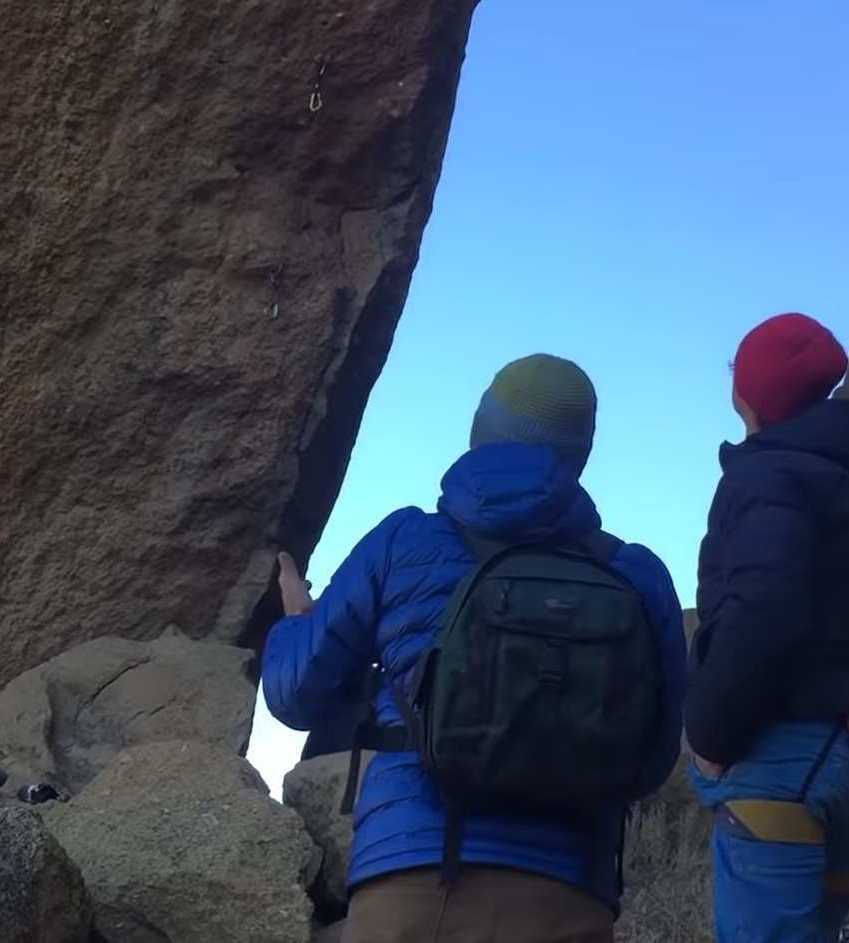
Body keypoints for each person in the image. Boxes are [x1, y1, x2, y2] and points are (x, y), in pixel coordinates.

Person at [262, 354, 687, 943]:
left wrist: (295, 622)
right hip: (570, 894)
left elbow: (295, 695)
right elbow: (653, 760)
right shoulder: (637, 576)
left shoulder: (404, 541)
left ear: (479, 434)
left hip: (411, 881)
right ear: (580, 456)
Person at [686, 313, 849, 943]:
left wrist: (709, 737)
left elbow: (766, 610)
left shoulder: (766, 478)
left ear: (748, 393)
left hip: (779, 762)